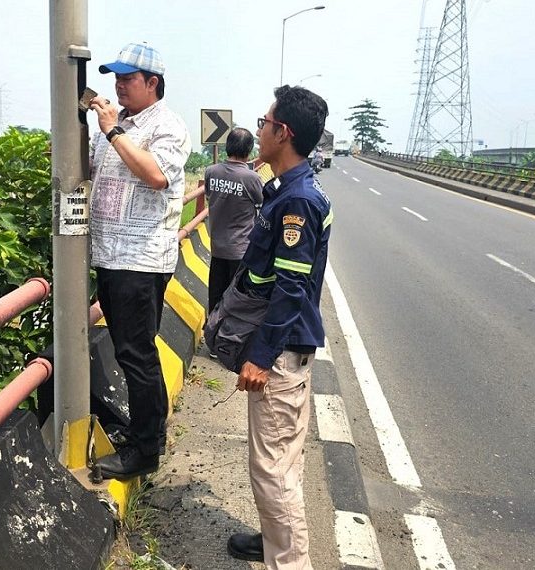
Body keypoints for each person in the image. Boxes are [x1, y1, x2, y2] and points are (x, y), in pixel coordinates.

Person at [226, 85, 331, 569]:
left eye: (264, 123)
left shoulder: (298, 202)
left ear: (282, 133)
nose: (259, 129)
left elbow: (290, 288)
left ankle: (288, 562)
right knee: (279, 463)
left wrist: (259, 357)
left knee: (274, 472)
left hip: (282, 353)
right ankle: (274, 543)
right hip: (287, 347)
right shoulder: (285, 190)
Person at [88, 42, 191, 479]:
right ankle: (140, 435)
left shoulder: (166, 127)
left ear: (153, 83)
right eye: (117, 78)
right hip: (111, 256)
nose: (119, 85)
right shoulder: (120, 124)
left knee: (138, 355)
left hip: (140, 260)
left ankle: (146, 449)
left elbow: (155, 175)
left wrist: (113, 131)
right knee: (130, 351)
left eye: (128, 79)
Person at [203, 127, 263, 317]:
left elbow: (208, 197)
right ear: (249, 150)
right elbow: (262, 205)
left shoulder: (210, 172)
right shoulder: (252, 178)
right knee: (238, 298)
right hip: (241, 250)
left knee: (216, 296)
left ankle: (214, 336)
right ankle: (231, 340)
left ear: (227, 147)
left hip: (217, 247)